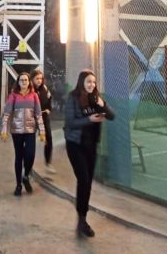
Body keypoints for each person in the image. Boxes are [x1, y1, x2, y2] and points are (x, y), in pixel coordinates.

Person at [64, 69, 115, 238]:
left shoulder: (96, 98)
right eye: (88, 82)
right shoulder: (73, 98)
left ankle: (82, 219)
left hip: (91, 146)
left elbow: (112, 116)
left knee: (87, 184)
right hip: (75, 145)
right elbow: (70, 122)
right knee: (84, 180)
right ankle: (82, 220)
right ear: (82, 82)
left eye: (93, 82)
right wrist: (89, 119)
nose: (91, 84)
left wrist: (103, 105)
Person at [0, 71, 45, 195]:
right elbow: (7, 113)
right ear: (18, 82)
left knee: (30, 155)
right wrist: (4, 130)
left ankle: (26, 176)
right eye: (21, 80)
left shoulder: (34, 95)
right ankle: (18, 185)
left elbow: (38, 114)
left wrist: (42, 131)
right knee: (19, 157)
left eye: (26, 80)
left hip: (30, 130)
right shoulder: (13, 95)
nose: (24, 82)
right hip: (17, 131)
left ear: (29, 82)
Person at [31, 68, 54, 174]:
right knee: (30, 142)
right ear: (32, 79)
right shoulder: (29, 90)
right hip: (32, 119)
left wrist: (48, 109)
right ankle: (28, 166)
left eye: (41, 78)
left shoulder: (44, 88)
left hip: (44, 118)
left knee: (48, 139)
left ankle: (48, 164)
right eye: (37, 78)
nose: (39, 80)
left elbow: (49, 99)